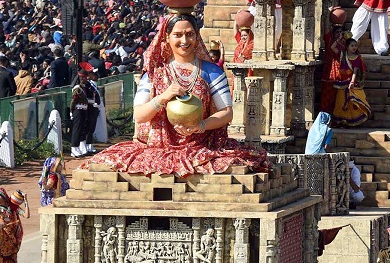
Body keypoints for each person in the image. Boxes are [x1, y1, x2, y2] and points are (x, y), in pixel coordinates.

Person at [80, 13, 269, 176]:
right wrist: (162, 97)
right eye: (178, 35)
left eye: (190, 34)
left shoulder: (212, 71)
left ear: (197, 37)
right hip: (159, 146)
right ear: (167, 38)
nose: (184, 41)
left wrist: (201, 125)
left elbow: (227, 113)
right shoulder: (155, 73)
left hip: (203, 145)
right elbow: (139, 116)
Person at [331, 38, 372, 126]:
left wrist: (352, 82)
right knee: (341, 102)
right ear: (347, 47)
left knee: (353, 101)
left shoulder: (357, 58)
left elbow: (355, 71)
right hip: (341, 83)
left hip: (351, 83)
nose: (354, 48)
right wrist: (339, 39)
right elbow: (332, 47)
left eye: (355, 46)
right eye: (352, 46)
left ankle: (352, 121)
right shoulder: (342, 54)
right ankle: (341, 121)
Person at [70, 69, 100, 158]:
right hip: (78, 110)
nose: (83, 79)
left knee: (82, 129)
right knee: (77, 129)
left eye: (84, 77)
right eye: (81, 77)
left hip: (84, 110)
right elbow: (74, 101)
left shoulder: (84, 87)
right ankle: (74, 148)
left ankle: (80, 147)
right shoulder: (77, 88)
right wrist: (71, 111)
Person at [319, 24, 346, 113]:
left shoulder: (344, 43)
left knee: (338, 95)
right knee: (326, 94)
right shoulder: (329, 40)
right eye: (337, 32)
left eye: (340, 32)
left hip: (340, 70)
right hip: (329, 70)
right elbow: (326, 30)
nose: (339, 34)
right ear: (333, 34)